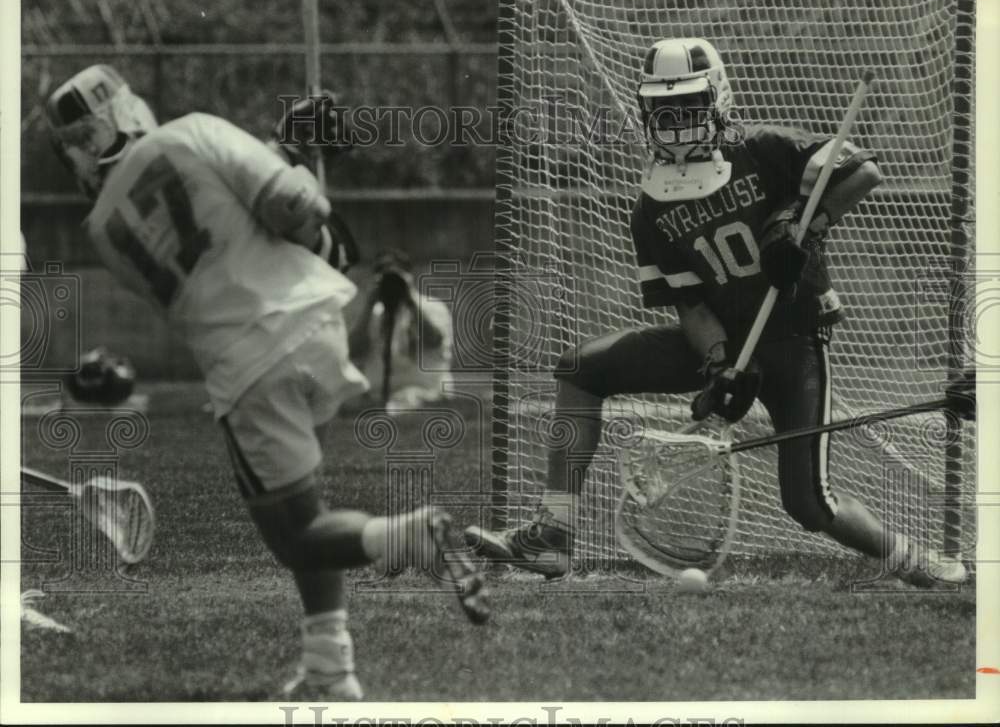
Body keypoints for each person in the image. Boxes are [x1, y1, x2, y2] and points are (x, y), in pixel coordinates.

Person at [45, 65, 487, 701]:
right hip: (318, 327)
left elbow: (210, 233)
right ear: (127, 110)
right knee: (309, 515)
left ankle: (413, 537)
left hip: (250, 364)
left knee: (298, 536)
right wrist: (296, 162)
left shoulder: (101, 230)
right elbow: (297, 211)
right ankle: (330, 667)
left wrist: (290, 162)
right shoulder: (192, 131)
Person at [467, 38, 967, 588]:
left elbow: (863, 172)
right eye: (664, 110)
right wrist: (718, 363)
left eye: (688, 105)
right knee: (581, 367)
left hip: (792, 341)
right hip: (724, 340)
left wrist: (803, 220)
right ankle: (552, 534)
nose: (677, 122)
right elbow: (690, 304)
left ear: (717, 98)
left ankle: (920, 564)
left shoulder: (763, 148)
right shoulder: (652, 205)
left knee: (808, 503)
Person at [347, 248, 454, 413]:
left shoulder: (432, 307)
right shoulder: (373, 314)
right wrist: (369, 305)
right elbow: (353, 352)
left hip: (425, 392)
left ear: (410, 277)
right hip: (379, 395)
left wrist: (410, 301)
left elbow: (434, 341)